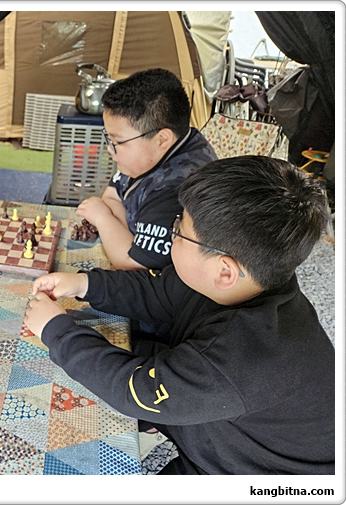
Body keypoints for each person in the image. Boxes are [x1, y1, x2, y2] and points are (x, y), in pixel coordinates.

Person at [25, 156, 334, 474]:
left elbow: (136, 390)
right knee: (120, 356)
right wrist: (83, 284)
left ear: (224, 271)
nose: (171, 233)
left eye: (179, 230)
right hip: (223, 428)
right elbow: (156, 291)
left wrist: (57, 331)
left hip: (254, 474)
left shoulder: (238, 358)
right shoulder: (247, 280)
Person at [76, 68, 217, 271]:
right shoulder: (150, 153)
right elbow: (112, 195)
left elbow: (134, 263)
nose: (110, 149)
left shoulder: (177, 191)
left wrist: (103, 218)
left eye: (118, 142)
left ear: (162, 139)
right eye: (108, 138)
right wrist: (122, 233)